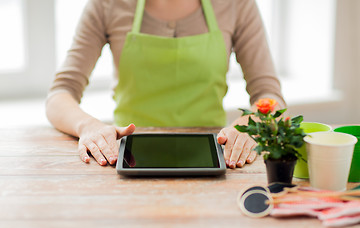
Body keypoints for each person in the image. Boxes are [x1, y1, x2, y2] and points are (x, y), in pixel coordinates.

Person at [46, 0, 286, 169]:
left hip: (214, 157)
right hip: (126, 158)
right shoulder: (106, 4)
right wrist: (88, 127)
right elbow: (60, 93)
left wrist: (247, 125)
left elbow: (269, 94)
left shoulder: (237, 4)